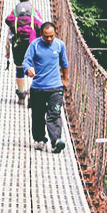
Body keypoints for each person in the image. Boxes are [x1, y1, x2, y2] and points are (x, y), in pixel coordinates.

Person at [23, 20, 69, 153]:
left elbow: (64, 64)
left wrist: (65, 80)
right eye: (46, 36)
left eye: (51, 36)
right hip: (38, 88)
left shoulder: (60, 45)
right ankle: (40, 140)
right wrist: (28, 70)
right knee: (38, 115)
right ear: (41, 35)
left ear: (55, 34)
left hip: (55, 87)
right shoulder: (34, 45)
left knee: (54, 114)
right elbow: (26, 61)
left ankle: (56, 141)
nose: (49, 39)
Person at [4, 0, 43, 102]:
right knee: (31, 67)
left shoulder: (14, 12)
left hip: (18, 43)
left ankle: (21, 95)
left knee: (20, 68)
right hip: (31, 44)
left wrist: (7, 50)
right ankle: (32, 94)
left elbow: (10, 32)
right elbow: (40, 26)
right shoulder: (34, 11)